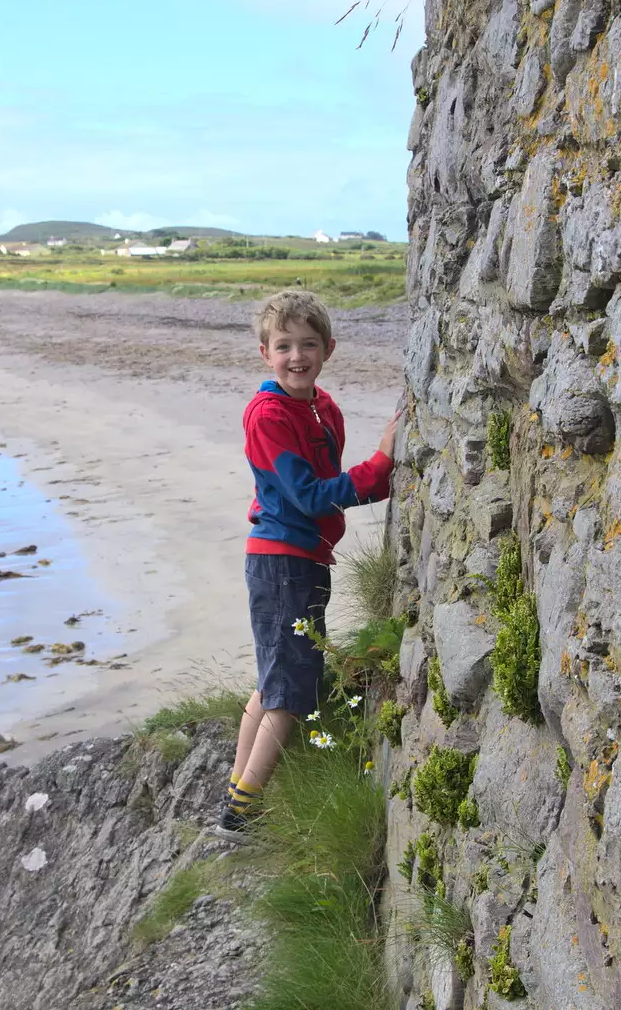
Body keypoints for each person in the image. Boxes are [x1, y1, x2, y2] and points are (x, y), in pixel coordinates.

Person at [215, 289, 397, 844]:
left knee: (275, 679)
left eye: (309, 345)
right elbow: (310, 497)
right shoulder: (268, 415)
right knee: (293, 692)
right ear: (264, 352)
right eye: (285, 346)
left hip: (304, 560)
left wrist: (373, 475)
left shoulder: (324, 407)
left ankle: (236, 792)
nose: (298, 356)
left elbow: (327, 489)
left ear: (329, 349)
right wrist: (382, 464)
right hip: (281, 562)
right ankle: (242, 815)